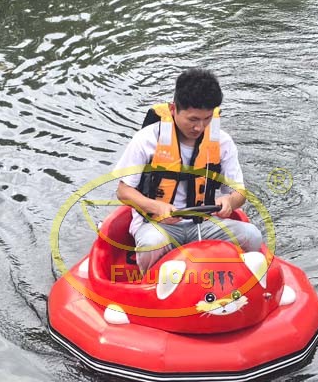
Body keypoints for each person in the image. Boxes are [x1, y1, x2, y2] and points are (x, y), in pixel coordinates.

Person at [113, 67, 263, 273]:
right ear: (173, 109)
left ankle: (236, 282)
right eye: (193, 119)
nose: (199, 127)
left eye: (207, 119)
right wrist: (157, 207)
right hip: (158, 225)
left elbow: (239, 193)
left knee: (252, 236)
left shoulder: (223, 142)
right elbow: (123, 192)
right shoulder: (147, 139)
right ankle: (152, 283)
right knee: (151, 244)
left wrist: (230, 201)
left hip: (204, 223)